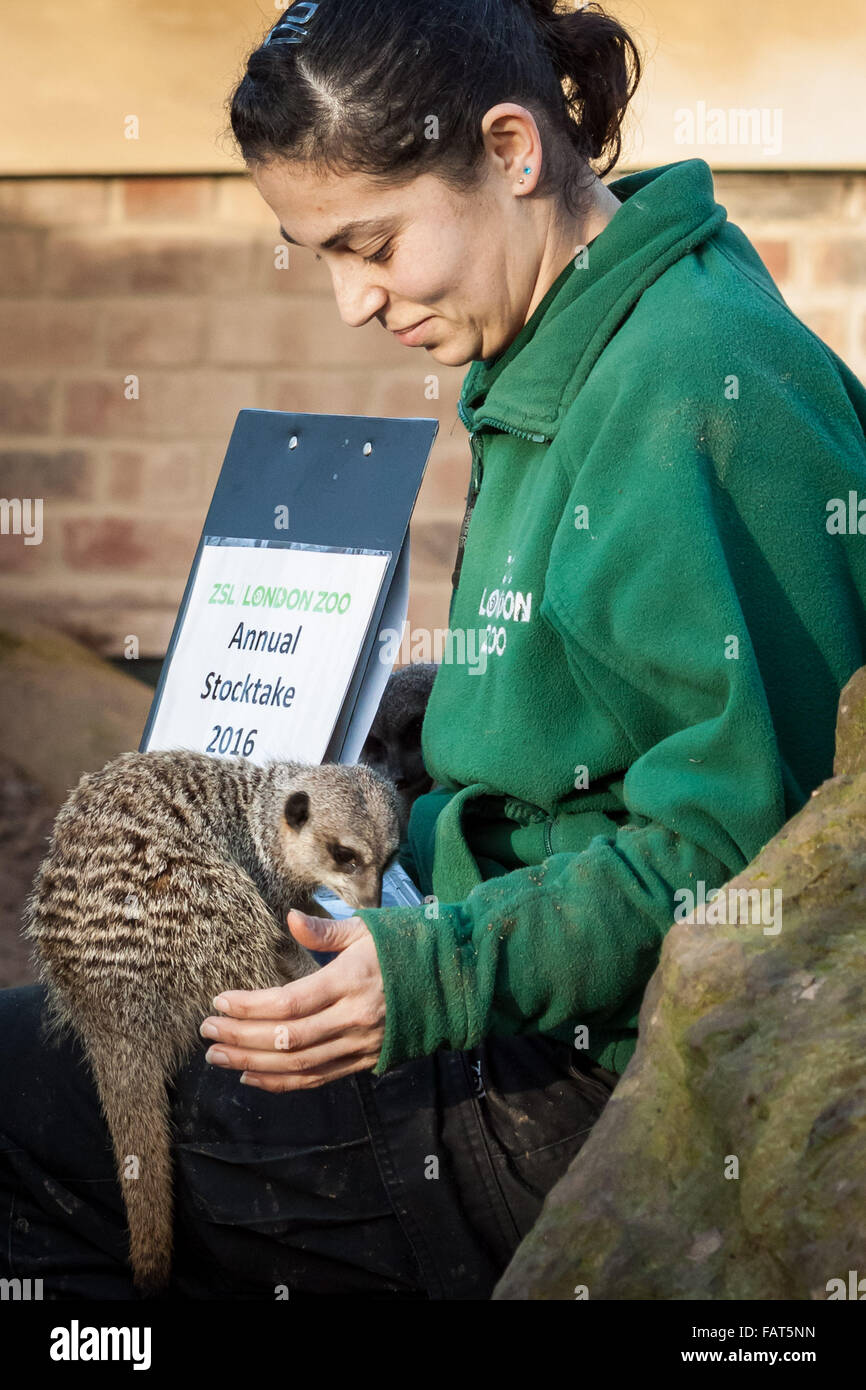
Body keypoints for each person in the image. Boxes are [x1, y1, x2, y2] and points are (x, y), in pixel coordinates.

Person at [2, 0, 866, 1300]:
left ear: (512, 148)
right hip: (479, 951)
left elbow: (758, 864)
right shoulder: (559, 333)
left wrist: (432, 972)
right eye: (318, 256)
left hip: (598, 1089)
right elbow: (586, 714)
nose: (353, 301)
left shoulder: (696, 391)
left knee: (28, 1108)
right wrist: (387, 720)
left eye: (371, 243)